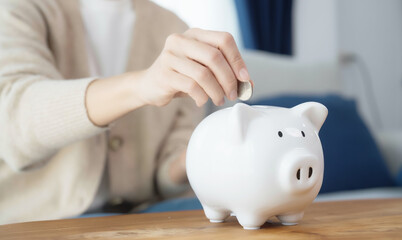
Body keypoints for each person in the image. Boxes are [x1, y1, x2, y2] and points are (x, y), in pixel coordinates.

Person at [0, 0, 251, 224]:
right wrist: (142, 85)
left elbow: (166, 175)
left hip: (143, 213)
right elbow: (15, 124)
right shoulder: (19, 9)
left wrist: (201, 152)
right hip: (40, 219)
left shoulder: (174, 27)